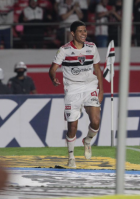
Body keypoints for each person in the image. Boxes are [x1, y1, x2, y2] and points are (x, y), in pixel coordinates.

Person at [49, 21, 103, 168]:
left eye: (85, 31)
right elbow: (53, 68)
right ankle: (71, 157)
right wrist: (53, 77)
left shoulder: (92, 47)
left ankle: (87, 140)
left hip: (90, 87)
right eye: (80, 31)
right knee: (72, 126)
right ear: (72, 33)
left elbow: (98, 70)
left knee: (96, 121)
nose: (84, 34)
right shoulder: (64, 50)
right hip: (72, 90)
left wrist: (101, 90)